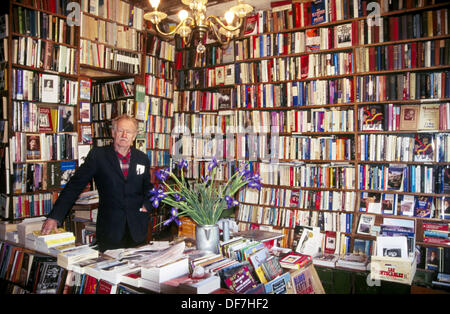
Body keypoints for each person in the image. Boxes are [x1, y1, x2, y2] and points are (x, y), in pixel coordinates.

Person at [41, 115, 153, 252]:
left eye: (128, 132)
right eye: (120, 130)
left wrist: (147, 206)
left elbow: (148, 189)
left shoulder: (142, 158)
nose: (124, 135)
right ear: (113, 133)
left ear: (134, 136)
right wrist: (55, 216)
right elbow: (74, 186)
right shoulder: (98, 156)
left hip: (137, 228)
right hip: (110, 231)